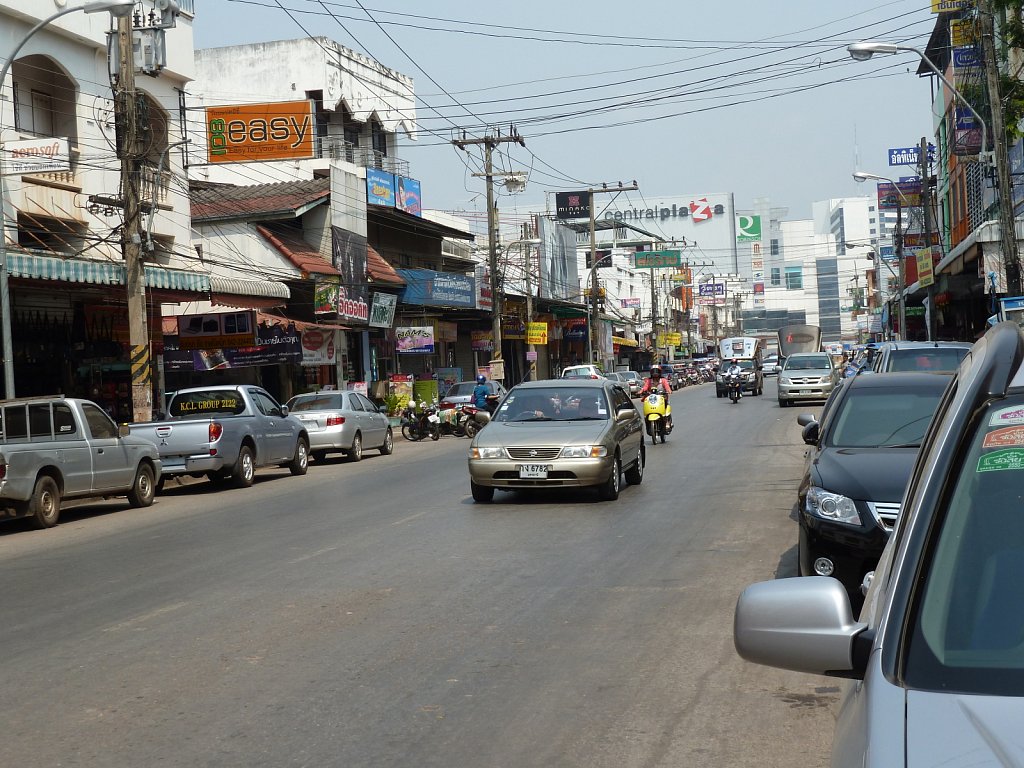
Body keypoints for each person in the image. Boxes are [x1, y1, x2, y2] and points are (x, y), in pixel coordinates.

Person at [639, 365, 672, 429]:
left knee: (665, 406)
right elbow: (645, 387)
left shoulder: (663, 380)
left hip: (662, 397)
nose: (655, 374)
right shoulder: (648, 381)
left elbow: (667, 387)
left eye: (657, 372)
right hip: (652, 398)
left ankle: (667, 422)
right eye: (653, 372)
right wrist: (641, 391)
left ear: (660, 372)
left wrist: (669, 391)